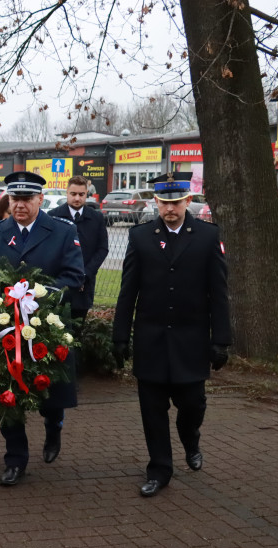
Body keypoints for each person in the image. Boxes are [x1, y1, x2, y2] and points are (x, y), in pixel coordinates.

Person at [112, 171, 231, 498]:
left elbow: (219, 293)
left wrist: (221, 340)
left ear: (187, 201)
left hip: (191, 340)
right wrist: (120, 334)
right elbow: (128, 291)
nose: (170, 209)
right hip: (150, 339)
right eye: (164, 203)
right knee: (152, 409)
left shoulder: (207, 236)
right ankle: (160, 469)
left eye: (176, 202)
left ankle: (190, 436)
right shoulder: (141, 237)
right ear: (156, 202)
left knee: (192, 404)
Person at [0, 171, 85, 486]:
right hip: (6, 327)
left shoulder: (63, 231)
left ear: (40, 199)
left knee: (49, 393)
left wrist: (39, 296)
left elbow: (74, 275)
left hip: (46, 325)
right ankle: (15, 459)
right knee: (7, 394)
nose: (20, 205)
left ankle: (54, 427)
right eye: (15, 199)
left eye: (27, 199)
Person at [48, 175, 109, 322]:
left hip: (85, 285)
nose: (77, 198)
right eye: (73, 194)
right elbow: (49, 250)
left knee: (77, 330)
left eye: (81, 194)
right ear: (66, 193)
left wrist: (84, 275)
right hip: (59, 283)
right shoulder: (53, 217)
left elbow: (102, 249)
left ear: (86, 194)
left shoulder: (96, 218)